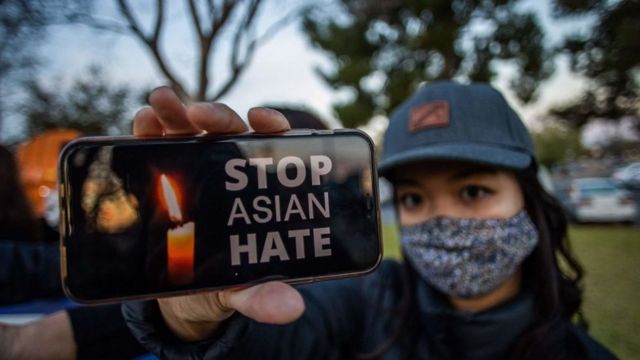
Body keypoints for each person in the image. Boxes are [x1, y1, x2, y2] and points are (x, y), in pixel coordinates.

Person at [117, 83, 616, 359]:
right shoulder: (372, 300)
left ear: (529, 200)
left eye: (473, 191)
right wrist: (192, 322)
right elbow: (278, 339)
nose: (441, 217)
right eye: (415, 198)